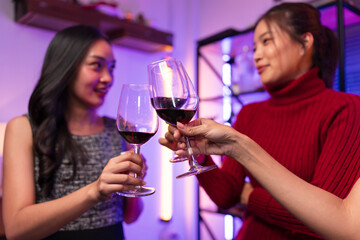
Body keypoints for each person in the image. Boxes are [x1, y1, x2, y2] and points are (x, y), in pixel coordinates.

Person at [160, 2, 360, 240]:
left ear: (305, 43)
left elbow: (325, 219)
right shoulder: (250, 114)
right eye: (254, 47)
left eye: (266, 41)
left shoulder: (347, 109)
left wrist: (251, 196)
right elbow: (227, 195)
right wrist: (199, 155)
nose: (256, 55)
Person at [3, 25, 146, 240]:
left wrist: (135, 181)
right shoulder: (24, 128)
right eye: (96, 66)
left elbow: (130, 217)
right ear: (65, 68)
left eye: (112, 68)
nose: (108, 78)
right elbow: (16, 230)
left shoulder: (121, 129)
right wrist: (94, 191)